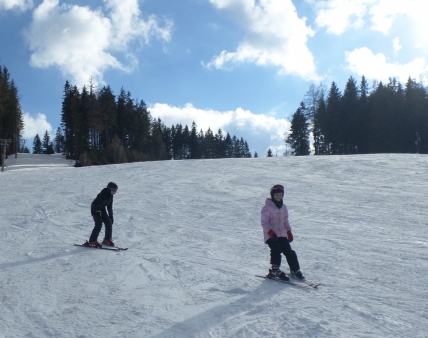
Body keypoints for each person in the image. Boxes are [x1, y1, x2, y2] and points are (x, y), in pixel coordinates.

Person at [261, 184, 304, 281]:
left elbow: (285, 221)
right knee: (276, 249)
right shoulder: (267, 208)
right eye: (276, 195)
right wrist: (271, 232)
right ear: (272, 195)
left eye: (280, 195)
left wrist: (288, 231)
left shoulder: (284, 207)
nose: (278, 197)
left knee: (289, 251)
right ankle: (274, 270)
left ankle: (295, 270)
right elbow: (264, 222)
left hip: (282, 234)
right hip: (271, 235)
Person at [88, 182, 118, 247]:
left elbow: (109, 207)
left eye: (115, 190)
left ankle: (107, 239)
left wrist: (111, 216)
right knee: (98, 224)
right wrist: (98, 211)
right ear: (109, 189)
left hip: (102, 209)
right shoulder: (103, 193)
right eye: (113, 190)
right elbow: (97, 202)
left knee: (109, 223)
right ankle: (92, 240)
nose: (114, 192)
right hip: (95, 209)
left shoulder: (110, 196)